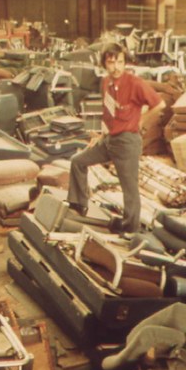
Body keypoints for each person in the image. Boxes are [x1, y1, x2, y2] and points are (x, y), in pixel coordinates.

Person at [68, 43, 165, 234]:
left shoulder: (135, 83)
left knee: (129, 189)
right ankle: (78, 206)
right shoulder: (105, 82)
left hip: (127, 142)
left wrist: (142, 121)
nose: (117, 67)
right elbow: (108, 112)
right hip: (109, 140)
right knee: (77, 161)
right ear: (104, 64)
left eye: (120, 62)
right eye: (111, 63)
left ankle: (131, 229)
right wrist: (101, 135)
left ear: (125, 62)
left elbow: (160, 104)